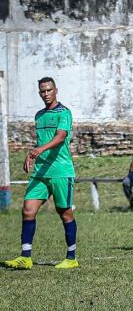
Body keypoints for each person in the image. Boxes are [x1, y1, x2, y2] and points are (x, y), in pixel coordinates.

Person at [2, 78, 79, 270]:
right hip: (40, 172)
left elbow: (60, 137)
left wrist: (40, 150)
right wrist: (31, 154)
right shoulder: (39, 115)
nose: (46, 94)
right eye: (42, 91)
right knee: (28, 210)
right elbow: (41, 141)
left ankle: (71, 257)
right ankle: (25, 257)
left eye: (49, 90)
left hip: (61, 171)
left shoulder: (64, 113)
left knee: (65, 213)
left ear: (56, 91)